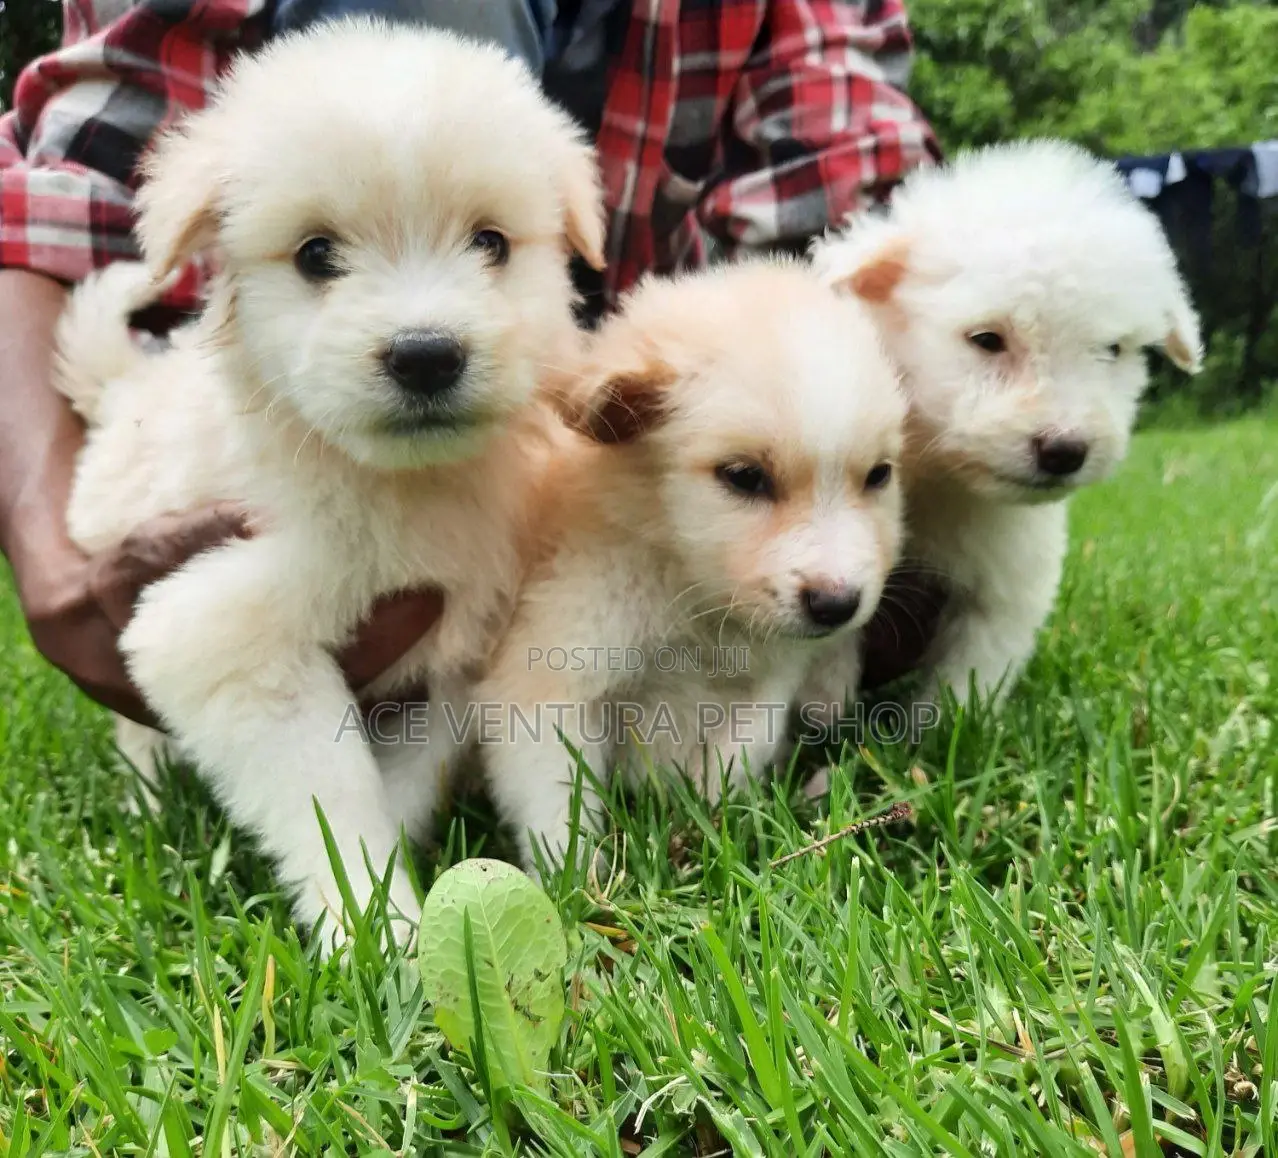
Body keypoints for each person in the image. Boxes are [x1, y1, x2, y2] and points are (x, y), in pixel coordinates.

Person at [0, 0, 939, 725]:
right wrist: (47, 542)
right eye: (325, 254)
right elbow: (69, 174)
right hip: (295, 441)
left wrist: (858, 502)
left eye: (488, 241)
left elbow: (857, 211)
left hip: (614, 405)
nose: (421, 324)